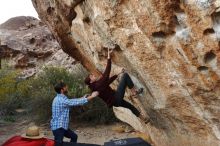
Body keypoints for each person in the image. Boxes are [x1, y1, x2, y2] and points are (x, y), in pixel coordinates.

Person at [84, 48, 147, 121]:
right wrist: (108, 58)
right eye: (91, 76)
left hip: (115, 102)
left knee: (130, 106)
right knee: (125, 76)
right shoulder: (97, 85)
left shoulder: (96, 86)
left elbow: (107, 82)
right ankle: (134, 92)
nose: (93, 75)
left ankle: (144, 119)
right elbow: (106, 73)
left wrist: (117, 74)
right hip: (116, 98)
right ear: (91, 81)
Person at [51, 81, 99, 146]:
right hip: (59, 127)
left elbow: (72, 101)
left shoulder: (60, 98)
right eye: (65, 87)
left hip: (62, 126)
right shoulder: (60, 100)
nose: (67, 88)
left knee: (74, 136)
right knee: (58, 144)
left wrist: (83, 97)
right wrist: (92, 96)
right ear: (62, 89)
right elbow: (74, 102)